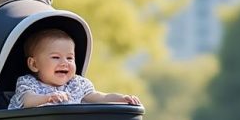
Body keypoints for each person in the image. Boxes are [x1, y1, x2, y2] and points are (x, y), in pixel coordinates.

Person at [8, 29, 141, 109]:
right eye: (55, 57)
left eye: (70, 58)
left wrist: (122, 99)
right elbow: (27, 100)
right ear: (34, 64)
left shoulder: (77, 84)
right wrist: (47, 98)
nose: (64, 63)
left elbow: (100, 97)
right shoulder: (28, 83)